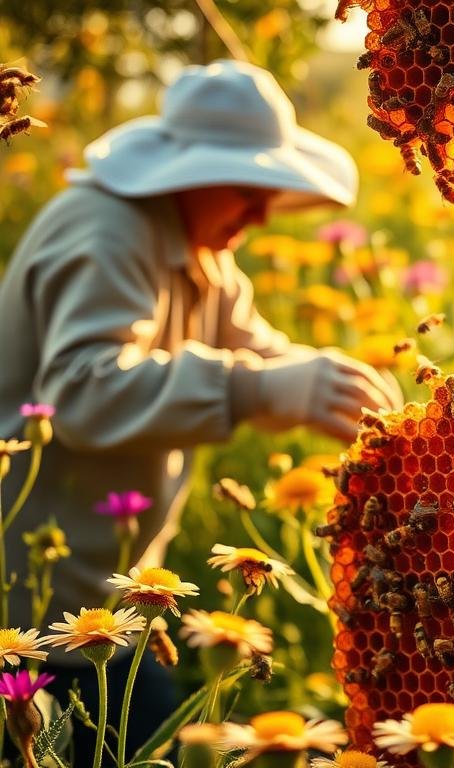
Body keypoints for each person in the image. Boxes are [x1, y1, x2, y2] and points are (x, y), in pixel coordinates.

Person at [0, 59, 402, 758]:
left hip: (99, 611)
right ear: (186, 174)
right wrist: (260, 388)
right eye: (247, 190)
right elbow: (84, 391)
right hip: (25, 614)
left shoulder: (199, 252)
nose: (260, 213)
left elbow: (255, 349)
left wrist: (325, 380)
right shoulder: (105, 231)